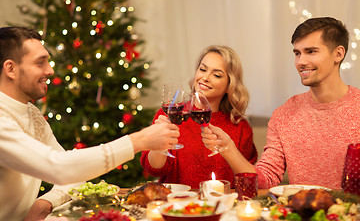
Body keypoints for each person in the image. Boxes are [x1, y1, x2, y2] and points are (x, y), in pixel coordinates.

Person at [0, 26, 180, 221]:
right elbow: (59, 167)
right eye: (40, 63)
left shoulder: (31, 113)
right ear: (11, 69)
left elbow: (72, 173)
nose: (50, 70)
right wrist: (139, 140)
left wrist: (46, 202)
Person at [201, 17, 360, 190]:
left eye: (311, 51)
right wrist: (227, 148)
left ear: (338, 54)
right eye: (297, 53)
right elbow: (265, 180)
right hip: (299, 214)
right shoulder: (284, 115)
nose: (301, 62)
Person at [140, 45, 258, 189]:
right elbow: (153, 169)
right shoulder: (169, 115)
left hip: (222, 206)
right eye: (202, 69)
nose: (205, 78)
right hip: (176, 205)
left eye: (217, 75)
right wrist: (159, 146)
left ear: (229, 85)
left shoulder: (240, 127)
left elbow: (247, 180)